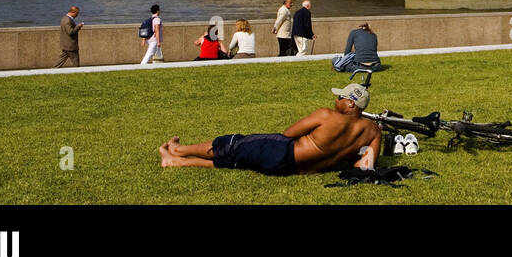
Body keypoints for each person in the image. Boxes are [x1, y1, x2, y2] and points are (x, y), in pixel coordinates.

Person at [159, 83, 381, 175]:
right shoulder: (373, 130)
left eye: (341, 97)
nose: (336, 99)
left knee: (232, 144)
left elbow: (289, 133)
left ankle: (179, 150)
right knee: (239, 162)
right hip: (297, 170)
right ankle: (177, 161)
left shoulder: (327, 116)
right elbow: (366, 165)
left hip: (283, 152)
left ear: (351, 103)